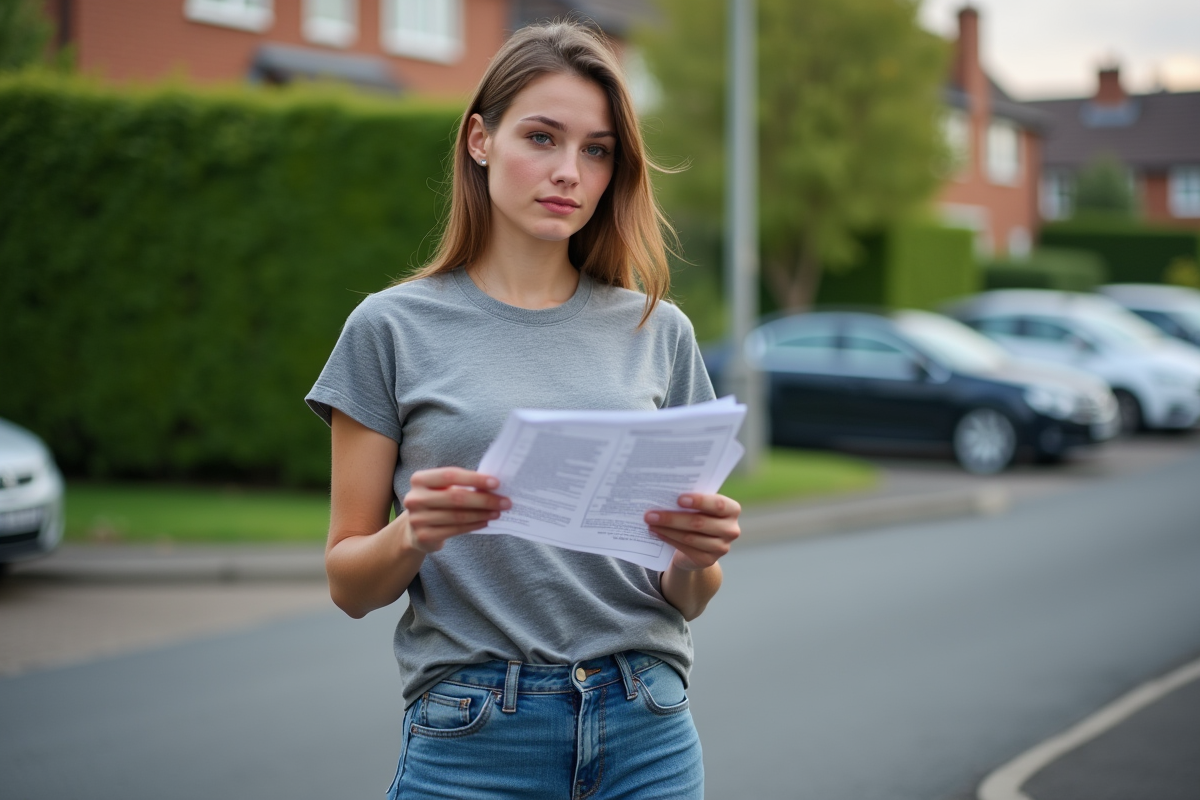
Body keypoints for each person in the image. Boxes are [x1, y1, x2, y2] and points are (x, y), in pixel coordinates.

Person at [306, 20, 742, 800]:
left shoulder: (658, 331)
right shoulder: (389, 328)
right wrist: (415, 531)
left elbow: (688, 598)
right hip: (473, 739)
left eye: (596, 149)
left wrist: (697, 556)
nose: (569, 171)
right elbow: (349, 585)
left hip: (648, 724)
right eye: (542, 137)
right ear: (480, 138)